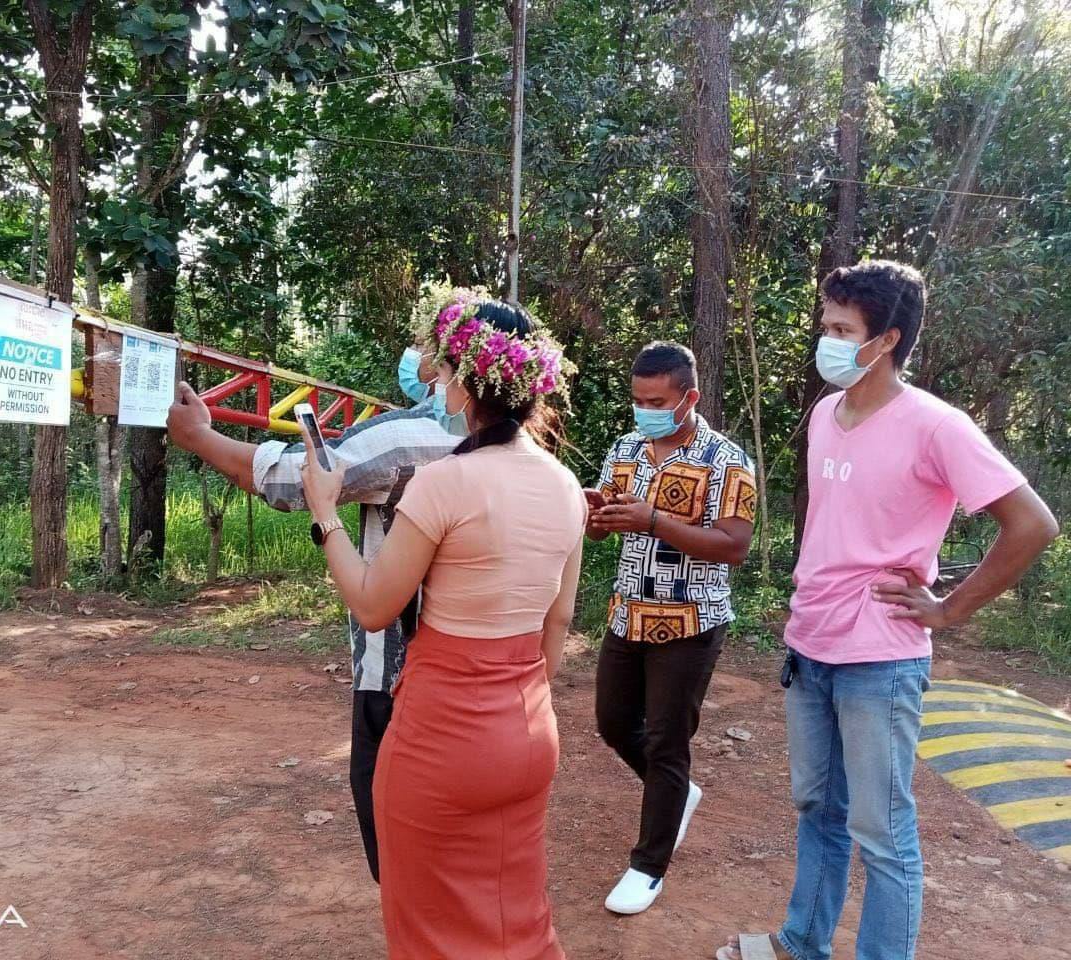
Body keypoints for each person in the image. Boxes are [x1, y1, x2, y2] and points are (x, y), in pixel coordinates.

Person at [719, 261, 1059, 960]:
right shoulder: (825, 414)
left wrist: (949, 610)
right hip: (810, 646)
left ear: (888, 339)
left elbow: (1033, 524)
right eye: (826, 325)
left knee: (882, 833)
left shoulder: (937, 426)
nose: (828, 340)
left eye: (843, 329)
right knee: (818, 810)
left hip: (880, 659)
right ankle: (801, 943)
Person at [299, 297, 584, 960]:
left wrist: (325, 513)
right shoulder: (566, 486)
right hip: (529, 732)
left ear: (464, 383)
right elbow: (560, 619)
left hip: (442, 741)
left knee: (432, 932)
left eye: (443, 369)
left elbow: (374, 605)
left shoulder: (443, 483)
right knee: (516, 918)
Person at [166, 334, 463, 883]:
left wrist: (200, 437)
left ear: (454, 369)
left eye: (432, 357)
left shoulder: (408, 441)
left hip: (397, 678)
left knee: (399, 850)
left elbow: (295, 479)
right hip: (492, 688)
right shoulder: (540, 467)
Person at [588, 341, 757, 915]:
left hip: (691, 620)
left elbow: (734, 546)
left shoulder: (726, 459)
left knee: (666, 740)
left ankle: (648, 867)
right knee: (614, 723)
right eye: (638, 400)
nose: (645, 411)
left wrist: (654, 520)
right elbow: (602, 529)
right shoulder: (625, 448)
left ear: (690, 398)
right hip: (628, 612)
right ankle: (678, 793)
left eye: (657, 402)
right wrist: (596, 514)